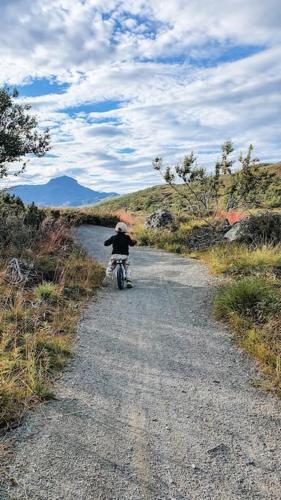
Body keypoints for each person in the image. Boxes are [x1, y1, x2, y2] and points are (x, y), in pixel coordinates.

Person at [104, 222, 137, 288]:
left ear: (116, 229)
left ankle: (107, 279)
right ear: (125, 230)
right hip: (124, 256)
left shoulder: (113, 237)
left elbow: (106, 243)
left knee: (110, 267)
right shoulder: (127, 237)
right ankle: (129, 281)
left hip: (115, 256)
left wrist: (108, 241)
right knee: (127, 268)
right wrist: (134, 242)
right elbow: (131, 244)